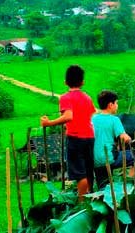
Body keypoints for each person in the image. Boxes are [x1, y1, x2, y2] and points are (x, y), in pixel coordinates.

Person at [40, 65, 96, 201]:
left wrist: (49, 123)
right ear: (82, 82)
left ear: (65, 81)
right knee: (88, 170)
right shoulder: (87, 98)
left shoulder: (66, 97)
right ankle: (90, 196)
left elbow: (68, 116)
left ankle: (82, 203)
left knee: (79, 172)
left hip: (76, 137)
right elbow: (90, 116)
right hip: (89, 136)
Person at [92, 90, 132, 189]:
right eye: (116, 103)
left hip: (95, 160)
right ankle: (128, 180)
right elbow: (124, 138)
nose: (117, 106)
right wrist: (130, 139)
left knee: (103, 187)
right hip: (109, 158)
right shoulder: (114, 119)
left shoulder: (93, 119)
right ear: (111, 105)